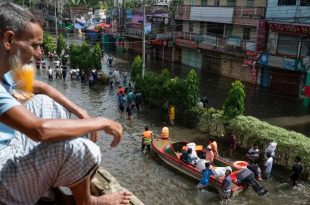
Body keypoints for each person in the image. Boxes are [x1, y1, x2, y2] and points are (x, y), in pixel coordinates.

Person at [0, 3, 132, 205]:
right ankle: (88, 202)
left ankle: (53, 183)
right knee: (82, 149)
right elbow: (39, 131)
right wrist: (101, 122)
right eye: (34, 45)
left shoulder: (5, 75)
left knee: (45, 103)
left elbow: (43, 88)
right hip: (3, 184)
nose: (39, 53)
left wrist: (81, 111)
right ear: (9, 39)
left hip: (9, 148)